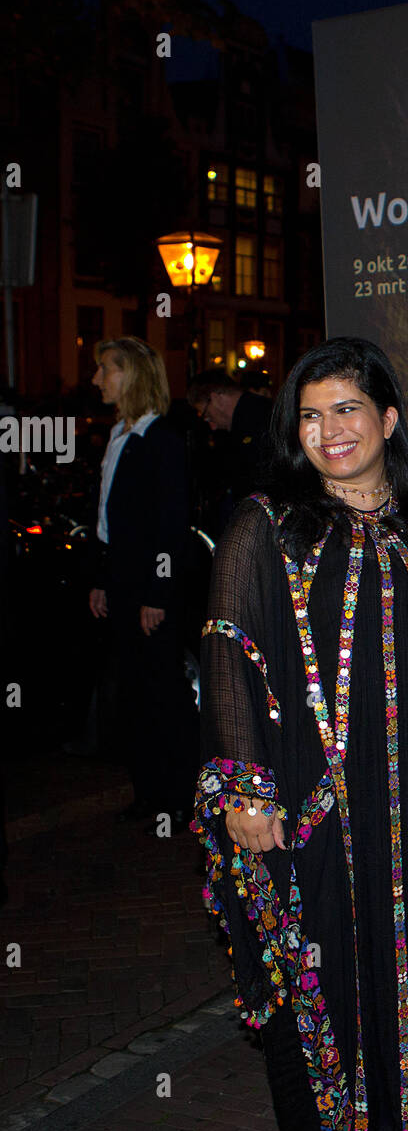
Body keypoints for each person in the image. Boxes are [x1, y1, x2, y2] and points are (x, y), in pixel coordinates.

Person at [193, 337, 408, 1131]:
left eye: (347, 410)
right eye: (311, 416)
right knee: (312, 981)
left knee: (398, 972)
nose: (329, 432)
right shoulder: (266, 525)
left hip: (403, 802)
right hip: (304, 801)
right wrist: (242, 789)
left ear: (388, 420)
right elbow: (227, 652)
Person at [88, 337, 199, 830]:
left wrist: (156, 594)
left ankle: (178, 797)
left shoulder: (162, 440)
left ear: (131, 375)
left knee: (163, 694)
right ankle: (148, 793)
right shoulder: (118, 435)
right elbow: (106, 519)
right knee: (134, 691)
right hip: (123, 581)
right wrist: (101, 580)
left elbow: (170, 526)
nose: (97, 380)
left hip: (152, 588)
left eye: (105, 370)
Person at [187, 371, 273, 519]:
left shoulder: (258, 421)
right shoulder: (253, 413)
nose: (211, 426)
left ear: (215, 399)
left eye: (206, 416)